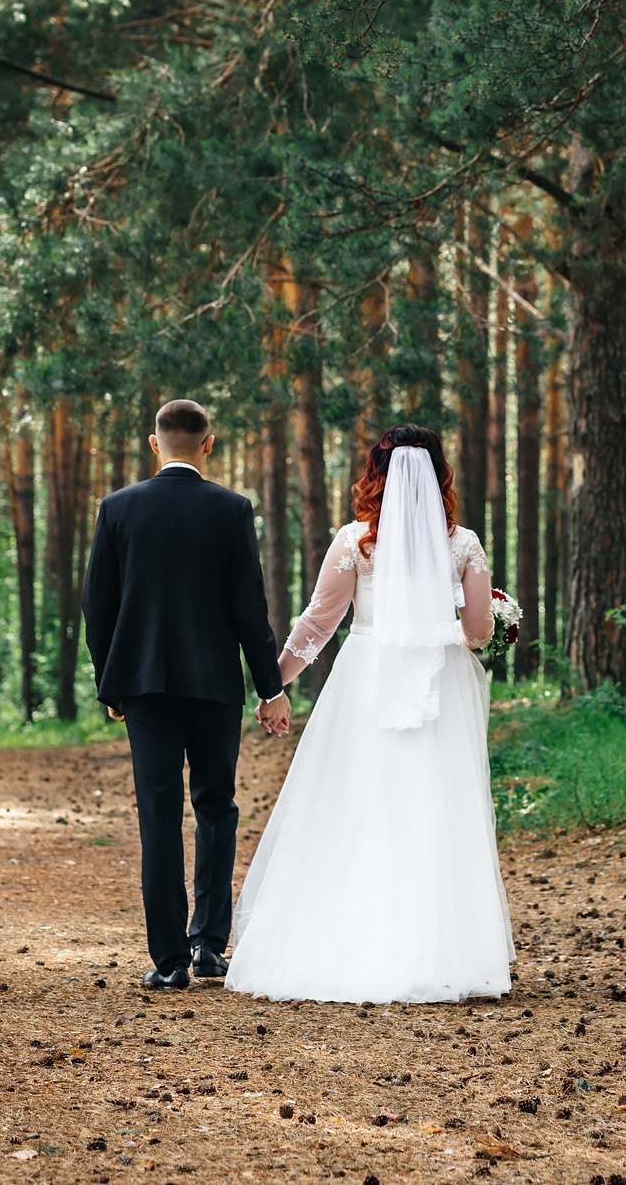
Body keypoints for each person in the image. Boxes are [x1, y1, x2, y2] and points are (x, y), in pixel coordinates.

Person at [225, 425, 515, 1004]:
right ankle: (441, 953)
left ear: (374, 475)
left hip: (366, 678)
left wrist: (272, 685)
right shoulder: (463, 544)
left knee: (357, 800)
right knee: (436, 804)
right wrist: (478, 624)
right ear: (439, 474)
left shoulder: (354, 541)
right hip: (440, 681)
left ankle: (346, 943)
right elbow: (479, 631)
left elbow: (318, 622)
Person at [82, 397, 293, 992]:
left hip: (144, 686)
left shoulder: (117, 508)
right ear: (209, 444)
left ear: (154, 444)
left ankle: (170, 959)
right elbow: (249, 609)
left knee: (158, 812)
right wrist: (270, 688)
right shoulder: (232, 509)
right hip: (214, 685)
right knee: (216, 807)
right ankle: (209, 946)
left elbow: (98, 606)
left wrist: (110, 682)